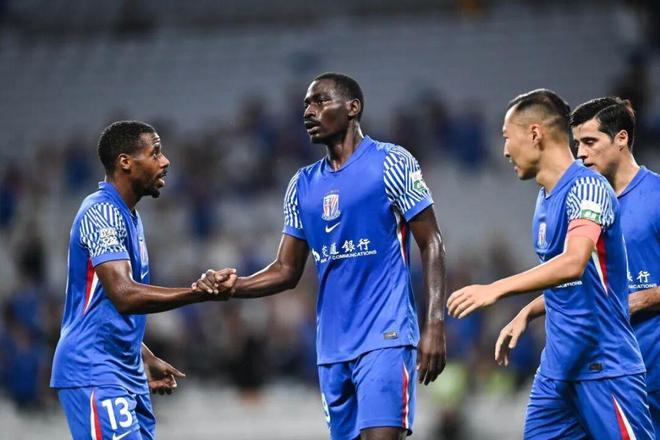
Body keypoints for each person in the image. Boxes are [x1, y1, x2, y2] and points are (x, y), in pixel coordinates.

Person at [199, 72, 448, 440]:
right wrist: (234, 286)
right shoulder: (301, 185)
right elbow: (286, 270)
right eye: (305, 105)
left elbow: (432, 242)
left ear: (353, 107)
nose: (308, 112)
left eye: (319, 101)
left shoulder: (392, 162)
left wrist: (435, 325)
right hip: (331, 349)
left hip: (387, 334)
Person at [446, 89, 654, 438]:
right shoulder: (544, 199)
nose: (504, 150)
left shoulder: (588, 188)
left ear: (535, 134)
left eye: (507, 137)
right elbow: (577, 283)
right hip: (556, 374)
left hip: (604, 369)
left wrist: (496, 289)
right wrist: (527, 312)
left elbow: (574, 263)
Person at [50, 121, 236, 440]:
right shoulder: (101, 213)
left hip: (126, 372)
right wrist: (199, 292)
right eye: (155, 153)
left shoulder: (129, 217)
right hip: (94, 369)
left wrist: (144, 356)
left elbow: (104, 307)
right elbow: (124, 295)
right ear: (125, 162)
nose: (165, 161)